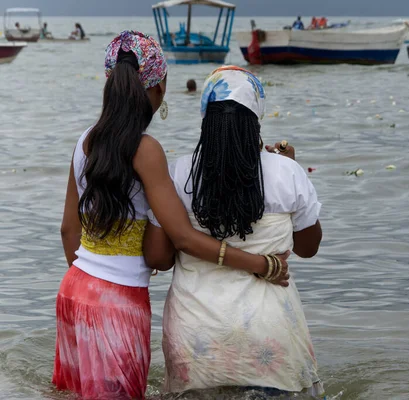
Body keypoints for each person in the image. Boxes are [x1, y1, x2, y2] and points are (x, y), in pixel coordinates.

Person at [53, 31, 289, 400]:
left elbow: (69, 229)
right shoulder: (146, 150)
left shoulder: (85, 141)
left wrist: (88, 286)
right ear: (160, 87)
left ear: (109, 83)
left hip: (73, 290)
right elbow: (177, 240)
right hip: (118, 302)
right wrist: (261, 263)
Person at [143, 66, 324, 397]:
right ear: (257, 116)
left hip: (195, 335)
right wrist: (292, 167)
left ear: (205, 118)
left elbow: (157, 257)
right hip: (270, 334)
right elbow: (308, 247)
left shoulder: (180, 173)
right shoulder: (287, 173)